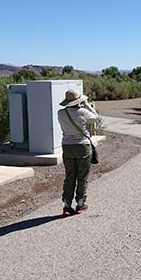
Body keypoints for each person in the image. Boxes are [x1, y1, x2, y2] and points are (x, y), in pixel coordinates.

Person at [57, 88, 99, 216]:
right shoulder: (83, 112)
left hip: (67, 147)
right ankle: (80, 203)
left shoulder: (60, 113)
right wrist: (86, 105)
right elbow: (96, 118)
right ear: (78, 101)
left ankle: (66, 204)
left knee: (70, 175)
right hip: (82, 147)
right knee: (82, 176)